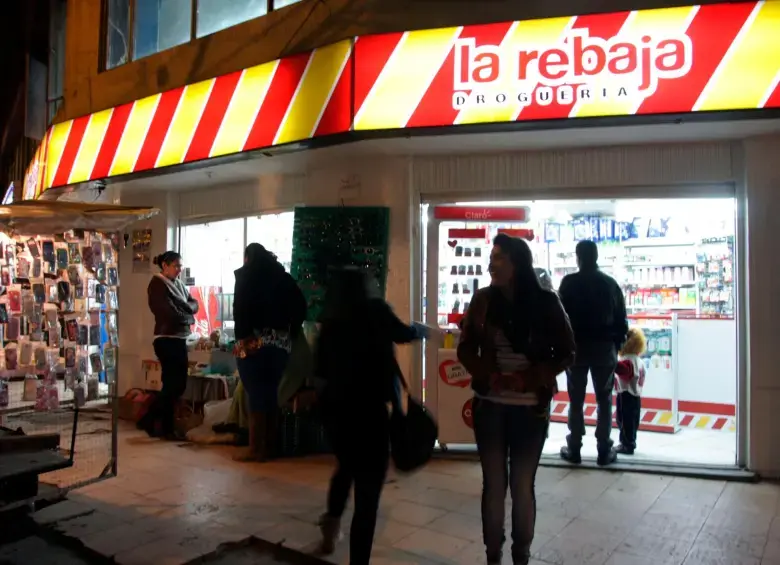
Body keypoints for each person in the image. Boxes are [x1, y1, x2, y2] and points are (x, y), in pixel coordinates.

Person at [458, 234, 575, 565]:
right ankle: (493, 554)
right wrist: (488, 373)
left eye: (499, 258)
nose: (491, 263)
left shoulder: (546, 303)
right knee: (495, 485)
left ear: (517, 263)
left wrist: (528, 378)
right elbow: (465, 348)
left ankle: (520, 554)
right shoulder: (482, 301)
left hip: (530, 408)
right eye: (491, 257)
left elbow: (567, 352)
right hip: (490, 405)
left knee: (522, 486)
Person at [315, 268, 425, 565]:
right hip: (371, 413)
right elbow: (403, 333)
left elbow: (321, 371)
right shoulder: (376, 310)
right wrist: (418, 330)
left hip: (337, 414)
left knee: (345, 468)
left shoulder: (330, 322)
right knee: (368, 492)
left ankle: (331, 525)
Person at [232, 243, 306, 462]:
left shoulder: (248, 276)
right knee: (271, 393)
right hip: (281, 344)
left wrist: (244, 338)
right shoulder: (284, 278)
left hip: (254, 342)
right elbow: (301, 307)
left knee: (256, 393)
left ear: (248, 258)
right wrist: (289, 330)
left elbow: (240, 309)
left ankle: (256, 449)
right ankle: (271, 447)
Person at [558, 240, 628, 466]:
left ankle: (575, 447)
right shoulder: (610, 284)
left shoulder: (568, 283)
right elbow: (621, 320)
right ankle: (603, 450)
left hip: (576, 349)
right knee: (604, 399)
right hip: (604, 349)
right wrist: (616, 346)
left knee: (575, 400)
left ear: (578, 257)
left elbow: (560, 318)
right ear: (597, 257)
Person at [140, 251, 198, 440]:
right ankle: (162, 426)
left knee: (178, 385)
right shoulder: (157, 284)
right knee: (173, 385)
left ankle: (150, 419)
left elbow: (194, 303)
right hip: (166, 339)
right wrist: (188, 316)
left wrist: (187, 311)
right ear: (165, 265)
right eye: (176, 266)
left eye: (180, 266)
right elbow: (168, 313)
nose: (179, 270)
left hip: (179, 338)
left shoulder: (179, 285)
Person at [614, 327, 647, 455]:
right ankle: (630, 441)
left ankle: (627, 444)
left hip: (626, 393)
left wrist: (612, 362)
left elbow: (623, 371)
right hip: (636, 394)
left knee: (624, 420)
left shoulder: (627, 360)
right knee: (633, 420)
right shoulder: (639, 361)